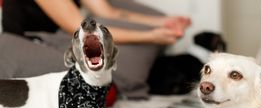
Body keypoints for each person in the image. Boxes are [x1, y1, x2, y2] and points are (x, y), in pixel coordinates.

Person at [0, 0, 191, 99]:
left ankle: (115, 85)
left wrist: (164, 23)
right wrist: (150, 36)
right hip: (23, 45)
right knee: (88, 77)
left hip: (55, 37)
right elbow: (76, 26)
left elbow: (110, 13)